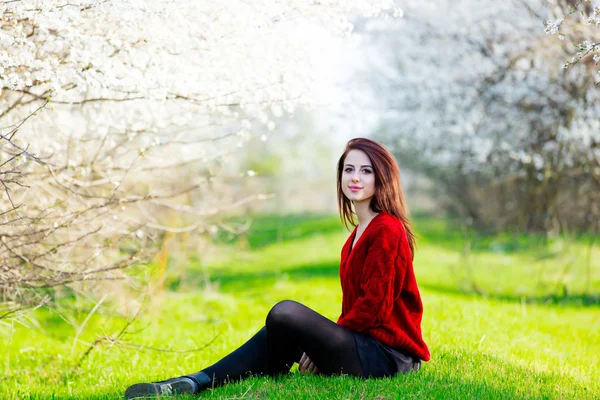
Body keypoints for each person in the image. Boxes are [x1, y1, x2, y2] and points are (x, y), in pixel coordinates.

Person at [124, 137, 430, 399]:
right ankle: (194, 382)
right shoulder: (358, 233)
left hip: (389, 356)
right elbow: (360, 308)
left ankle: (209, 378)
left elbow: (374, 308)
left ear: (381, 177)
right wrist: (323, 344)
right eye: (349, 169)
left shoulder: (387, 229)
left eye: (366, 171)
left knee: (285, 313)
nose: (355, 178)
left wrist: (324, 345)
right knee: (280, 328)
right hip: (365, 346)